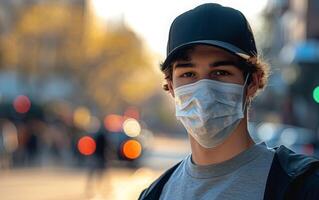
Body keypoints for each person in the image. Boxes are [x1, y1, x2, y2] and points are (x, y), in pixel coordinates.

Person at [139, 3, 319, 200]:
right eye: (188, 74)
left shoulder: (302, 186)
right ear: (171, 87)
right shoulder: (155, 194)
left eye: (220, 72)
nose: (204, 90)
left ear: (252, 82)